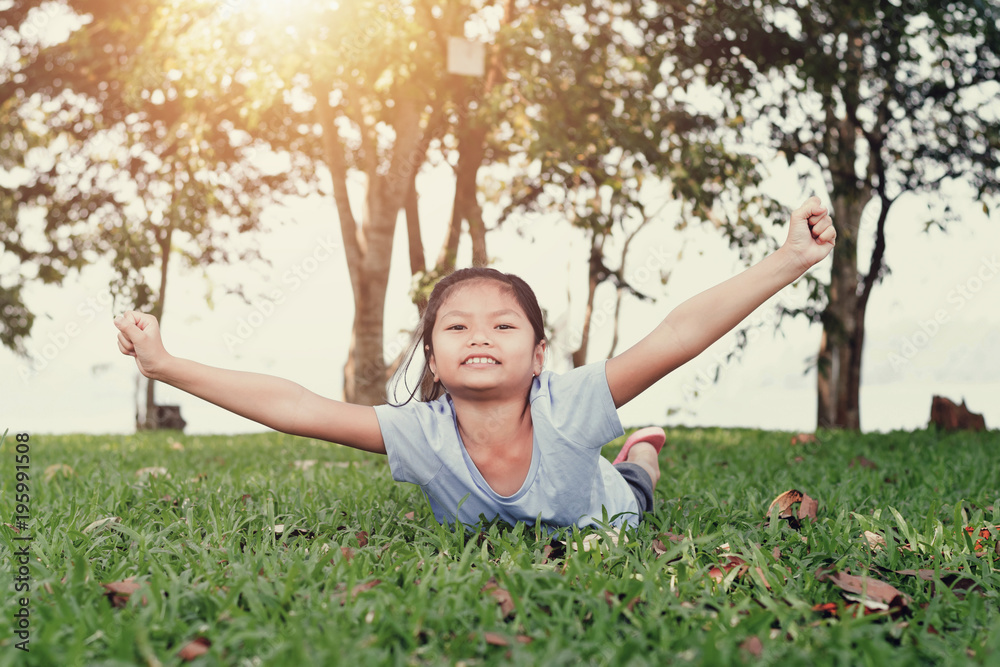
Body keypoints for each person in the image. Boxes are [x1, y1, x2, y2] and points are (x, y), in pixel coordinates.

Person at [115, 197, 836, 530]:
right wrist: (168, 365)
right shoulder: (420, 433)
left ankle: (641, 450)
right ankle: (635, 450)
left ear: (539, 353)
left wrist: (788, 259)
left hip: (607, 512)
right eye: (456, 325)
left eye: (503, 323)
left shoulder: (570, 401)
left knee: (635, 484)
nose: (479, 334)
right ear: (432, 354)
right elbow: (299, 406)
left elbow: (677, 333)